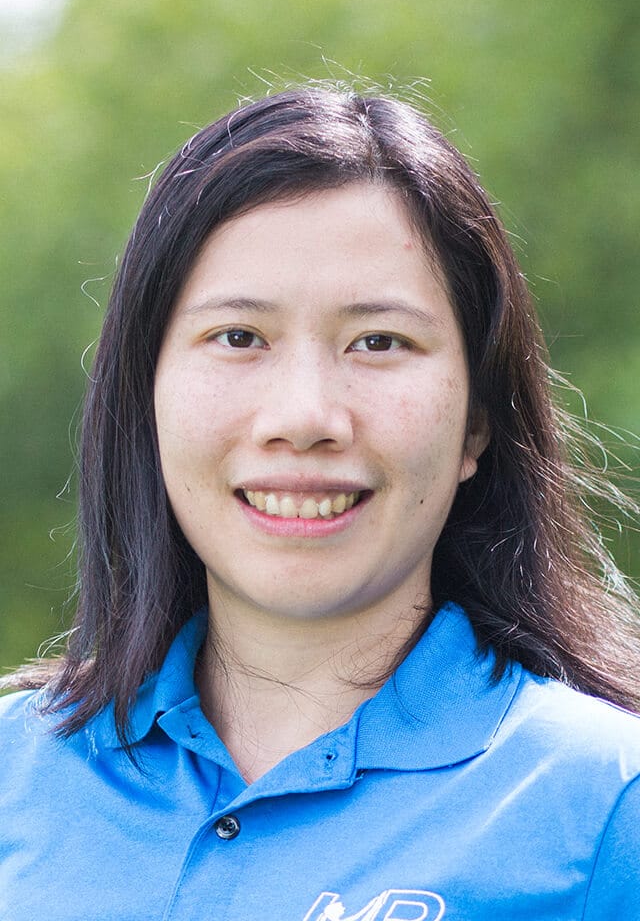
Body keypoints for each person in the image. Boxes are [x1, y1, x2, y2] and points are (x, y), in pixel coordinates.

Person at [1, 84, 640, 921]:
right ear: (144, 396)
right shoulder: (15, 773)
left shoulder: (607, 807)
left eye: (379, 341)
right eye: (239, 337)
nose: (304, 417)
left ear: (477, 423)